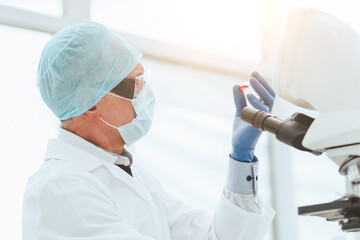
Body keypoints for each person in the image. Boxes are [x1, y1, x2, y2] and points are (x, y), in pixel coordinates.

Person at [22, 21, 275, 240]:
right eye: (136, 86)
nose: (147, 96)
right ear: (91, 105)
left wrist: (241, 161)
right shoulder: (60, 187)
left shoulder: (133, 175)